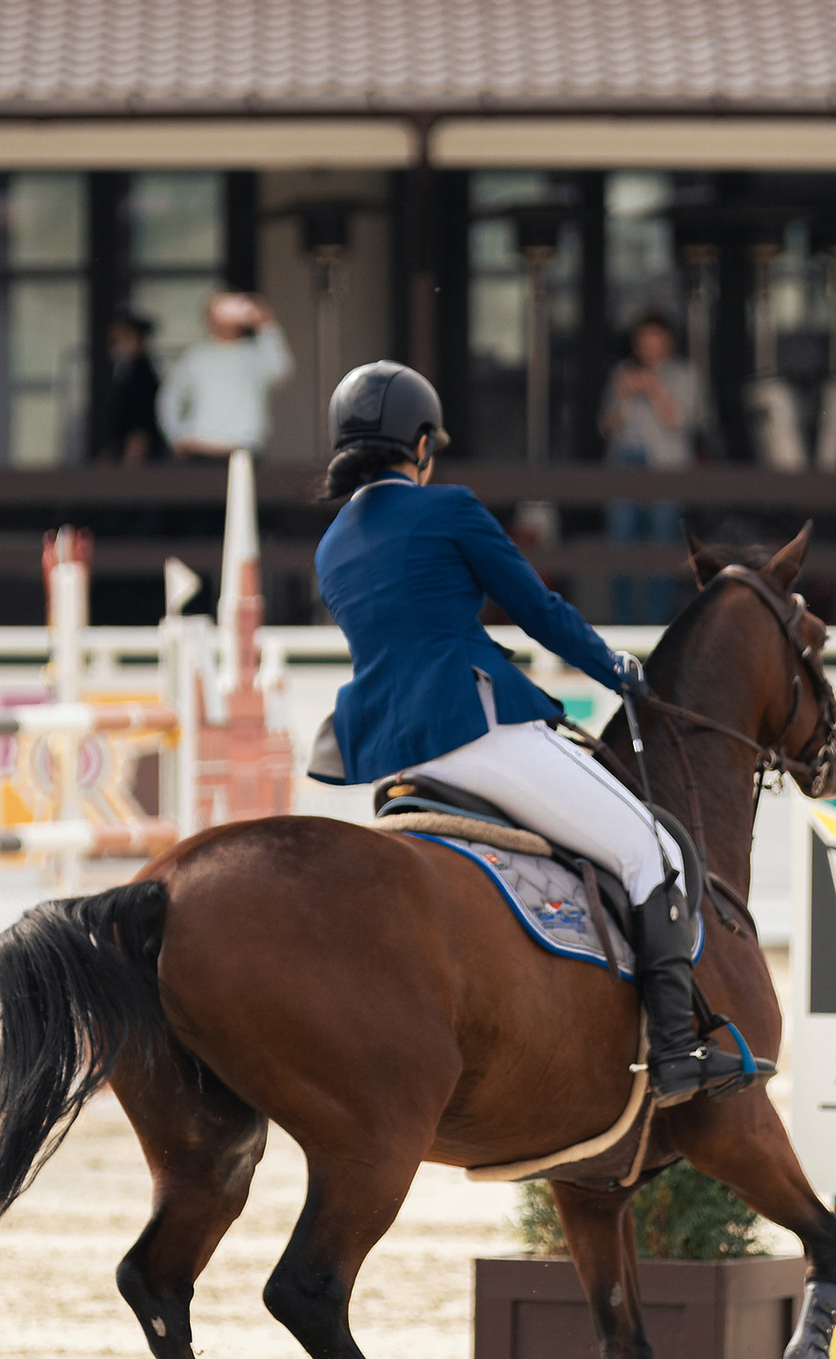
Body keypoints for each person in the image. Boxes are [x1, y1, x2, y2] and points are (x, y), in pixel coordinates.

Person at [307, 360, 767, 1107]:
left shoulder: (332, 545)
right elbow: (537, 608)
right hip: (476, 731)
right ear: (420, 444)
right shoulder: (448, 507)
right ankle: (676, 1050)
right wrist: (615, 668)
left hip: (395, 757)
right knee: (651, 848)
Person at [599, 311, 699, 544]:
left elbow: (681, 422)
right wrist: (623, 395)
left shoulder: (684, 374)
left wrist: (653, 388)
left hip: (665, 462)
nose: (648, 348)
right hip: (624, 459)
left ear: (668, 342)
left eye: (654, 341)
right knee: (620, 533)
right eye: (642, 341)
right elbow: (606, 427)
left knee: (663, 535)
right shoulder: (622, 371)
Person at [159, 292, 290, 459]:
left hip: (244, 447)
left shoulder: (254, 354)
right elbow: (170, 397)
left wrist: (266, 325)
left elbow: (280, 371)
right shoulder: (196, 357)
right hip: (201, 448)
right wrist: (176, 436)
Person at [101, 312, 167, 464]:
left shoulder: (142, 376)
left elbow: (141, 423)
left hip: (138, 461)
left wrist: (133, 454)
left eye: (123, 338)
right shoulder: (125, 373)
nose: (116, 345)